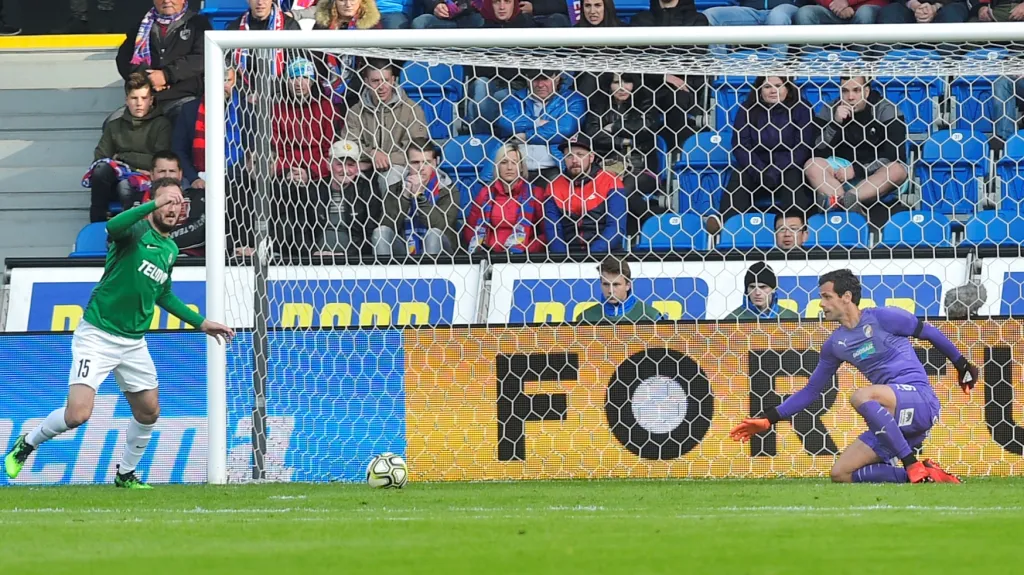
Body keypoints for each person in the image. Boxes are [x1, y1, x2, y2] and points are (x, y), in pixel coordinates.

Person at [3, 179, 235, 489]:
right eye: (167, 201)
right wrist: (153, 204)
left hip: (133, 342)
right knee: (77, 415)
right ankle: (28, 443)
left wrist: (202, 322)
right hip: (98, 335)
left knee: (149, 411)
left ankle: (125, 473)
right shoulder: (135, 231)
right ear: (153, 203)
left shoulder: (168, 248)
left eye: (177, 203)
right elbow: (112, 227)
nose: (172, 208)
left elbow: (163, 294)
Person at [730, 269, 973, 484]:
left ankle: (910, 463)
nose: (821, 304)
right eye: (820, 298)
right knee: (840, 473)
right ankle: (925, 475)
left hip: (920, 401)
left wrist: (963, 365)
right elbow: (811, 390)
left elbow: (929, 332)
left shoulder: (883, 317)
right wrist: (768, 419)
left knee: (861, 396)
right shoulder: (835, 343)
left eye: (826, 297)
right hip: (894, 421)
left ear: (846, 297)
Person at [709, 76, 816, 234]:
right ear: (759, 90)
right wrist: (759, 170)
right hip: (757, 166)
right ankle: (726, 226)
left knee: (793, 178)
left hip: (789, 165)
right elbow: (740, 145)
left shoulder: (802, 108)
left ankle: (795, 229)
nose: (773, 90)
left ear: (788, 88)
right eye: (767, 87)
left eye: (778, 85)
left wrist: (777, 169)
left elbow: (803, 146)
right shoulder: (747, 109)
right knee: (740, 175)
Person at [804, 75, 909, 228]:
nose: (850, 97)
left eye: (856, 90)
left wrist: (857, 170)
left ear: (866, 91)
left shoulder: (886, 109)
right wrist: (835, 123)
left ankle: (846, 200)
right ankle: (843, 202)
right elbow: (817, 151)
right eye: (845, 91)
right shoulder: (830, 108)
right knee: (811, 165)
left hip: (876, 174)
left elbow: (895, 155)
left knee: (897, 169)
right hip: (840, 174)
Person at [272, 57, 340, 255]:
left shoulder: (327, 108)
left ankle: (310, 251)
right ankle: (282, 251)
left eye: (303, 78)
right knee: (283, 197)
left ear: (312, 81)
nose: (298, 83)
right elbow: (276, 150)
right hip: (287, 174)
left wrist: (310, 173)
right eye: (293, 78)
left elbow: (331, 151)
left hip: (318, 175)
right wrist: (286, 172)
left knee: (311, 199)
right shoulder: (278, 109)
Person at [584, 72, 664, 236]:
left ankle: (655, 226)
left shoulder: (645, 98)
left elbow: (647, 127)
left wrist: (614, 127)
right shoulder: (599, 103)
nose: (622, 87)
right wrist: (623, 142)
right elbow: (592, 133)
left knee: (620, 191)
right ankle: (652, 223)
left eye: (627, 81)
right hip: (607, 165)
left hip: (640, 167)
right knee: (607, 190)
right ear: (608, 85)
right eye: (616, 82)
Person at [89, 73, 173, 223]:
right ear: (127, 100)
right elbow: (100, 158)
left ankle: (130, 229)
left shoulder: (162, 125)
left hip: (147, 181)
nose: (139, 103)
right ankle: (98, 223)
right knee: (101, 169)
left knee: (125, 186)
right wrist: (132, 166)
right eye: (134, 98)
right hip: (115, 180)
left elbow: (159, 162)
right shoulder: (114, 126)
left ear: (151, 100)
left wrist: (123, 157)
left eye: (144, 98)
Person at [116, 0, 211, 125]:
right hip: (145, 99)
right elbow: (124, 59)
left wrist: (167, 75)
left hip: (183, 97)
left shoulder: (198, 24)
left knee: (186, 118)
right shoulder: (141, 25)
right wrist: (148, 78)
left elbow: (202, 58)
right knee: (113, 123)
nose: (166, 1)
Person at [341, 58, 430, 187]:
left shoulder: (412, 110)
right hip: (362, 165)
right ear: (366, 82)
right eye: (375, 81)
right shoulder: (355, 111)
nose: (381, 86)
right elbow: (348, 145)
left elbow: (416, 150)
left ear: (393, 80)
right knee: (343, 174)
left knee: (390, 178)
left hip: (399, 167)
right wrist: (372, 153)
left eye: (386, 81)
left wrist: (385, 159)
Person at [497, 69, 587, 185]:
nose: (540, 85)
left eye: (545, 79)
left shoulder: (573, 100)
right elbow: (505, 122)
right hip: (517, 169)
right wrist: (536, 122)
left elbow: (565, 128)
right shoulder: (515, 99)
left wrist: (526, 136)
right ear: (527, 79)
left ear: (557, 77)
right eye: (535, 79)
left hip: (554, 168)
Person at [543, 134, 628, 255]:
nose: (574, 160)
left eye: (580, 155)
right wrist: (563, 259)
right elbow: (553, 231)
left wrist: (590, 257)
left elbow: (616, 228)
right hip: (568, 256)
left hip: (606, 254)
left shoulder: (611, 182)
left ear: (591, 157)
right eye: (569, 156)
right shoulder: (553, 186)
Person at [375, 140, 460, 255]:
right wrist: (405, 196)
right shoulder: (395, 189)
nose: (421, 168)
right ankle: (384, 272)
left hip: (442, 253)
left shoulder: (448, 190)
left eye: (426, 162)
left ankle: (428, 272)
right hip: (403, 251)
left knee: (434, 234)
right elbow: (388, 226)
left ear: (434, 163)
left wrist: (420, 196)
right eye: (415, 162)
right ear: (407, 164)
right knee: (380, 233)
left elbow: (443, 228)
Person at [465, 0, 535, 135]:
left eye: (507, 2)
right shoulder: (480, 33)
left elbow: (528, 69)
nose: (502, 7)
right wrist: (511, 61)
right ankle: (486, 139)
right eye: (497, 2)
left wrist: (495, 61)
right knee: (481, 85)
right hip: (489, 86)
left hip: (516, 87)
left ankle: (486, 139)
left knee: (493, 99)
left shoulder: (529, 29)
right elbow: (475, 70)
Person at [464, 141, 547, 254]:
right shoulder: (485, 193)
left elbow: (547, 232)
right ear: (497, 166)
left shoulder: (535, 194)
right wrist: (480, 250)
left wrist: (527, 250)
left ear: (521, 167)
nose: (509, 167)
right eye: (504, 162)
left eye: (514, 162)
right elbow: (470, 228)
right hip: (488, 256)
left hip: (521, 259)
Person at [315, 139, 386, 256]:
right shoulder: (314, 190)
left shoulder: (367, 191)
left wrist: (347, 255)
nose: (345, 170)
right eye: (339, 164)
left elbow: (369, 233)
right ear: (328, 164)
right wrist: (313, 252)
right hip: (315, 260)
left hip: (353, 260)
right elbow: (302, 229)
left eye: (351, 165)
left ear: (358, 167)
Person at [577, 257, 664, 323]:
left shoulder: (651, 317)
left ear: (628, 285)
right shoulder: (586, 318)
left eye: (616, 284)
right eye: (606, 284)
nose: (610, 290)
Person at [725, 262, 799, 320]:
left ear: (773, 289)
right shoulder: (732, 320)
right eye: (752, 287)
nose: (757, 293)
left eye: (763, 287)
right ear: (746, 290)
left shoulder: (791, 317)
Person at [876, 0, 969, 24]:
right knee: (891, 12)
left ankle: (950, 68)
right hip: (907, 6)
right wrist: (915, 5)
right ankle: (881, 68)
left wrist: (935, 7)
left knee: (952, 14)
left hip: (946, 6)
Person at [794, 0, 884, 23]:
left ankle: (862, 62)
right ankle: (813, 60)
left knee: (865, 13)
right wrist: (835, 5)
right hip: (833, 9)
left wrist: (847, 2)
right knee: (805, 13)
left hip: (868, 7)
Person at [412, 0, 486, 28]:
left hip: (471, 19)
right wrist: (436, 4)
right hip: (440, 19)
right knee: (420, 22)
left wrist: (461, 5)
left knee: (479, 20)